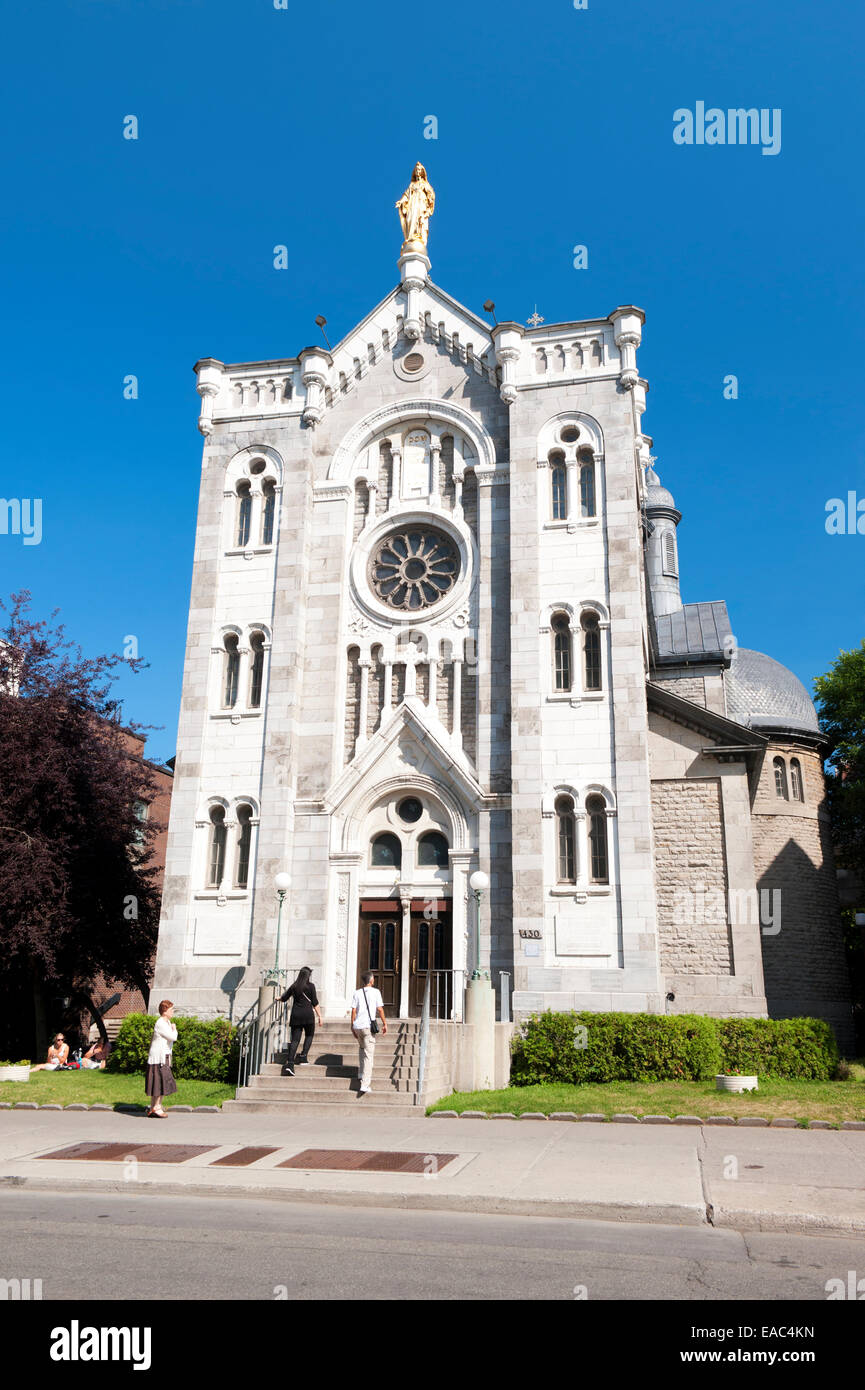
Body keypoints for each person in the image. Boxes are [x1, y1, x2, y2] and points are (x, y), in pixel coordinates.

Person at [279, 967, 321, 1076]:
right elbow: (315, 1002)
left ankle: (290, 1064)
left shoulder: (294, 986)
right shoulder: (311, 986)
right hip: (308, 1015)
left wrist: (278, 998)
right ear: (308, 976)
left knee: (295, 1040)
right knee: (309, 1035)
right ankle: (303, 1057)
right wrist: (320, 1016)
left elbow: (284, 998)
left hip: (296, 1015)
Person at [350, 970, 387, 1095]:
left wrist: (352, 1026)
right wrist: (384, 1023)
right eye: (374, 979)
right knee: (368, 1056)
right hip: (367, 1027)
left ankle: (361, 1073)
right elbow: (380, 1009)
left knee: (361, 1049)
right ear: (371, 981)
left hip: (358, 1026)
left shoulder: (357, 992)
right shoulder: (376, 992)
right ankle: (365, 1085)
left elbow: (353, 1010)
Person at [145, 1001, 177, 1117]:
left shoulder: (166, 1022)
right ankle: (156, 1107)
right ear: (165, 1011)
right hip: (158, 1058)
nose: (173, 1012)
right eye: (171, 1010)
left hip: (164, 1056)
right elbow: (173, 1037)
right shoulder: (161, 1023)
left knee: (159, 1082)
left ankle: (154, 1107)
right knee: (159, 1082)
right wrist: (174, 1029)